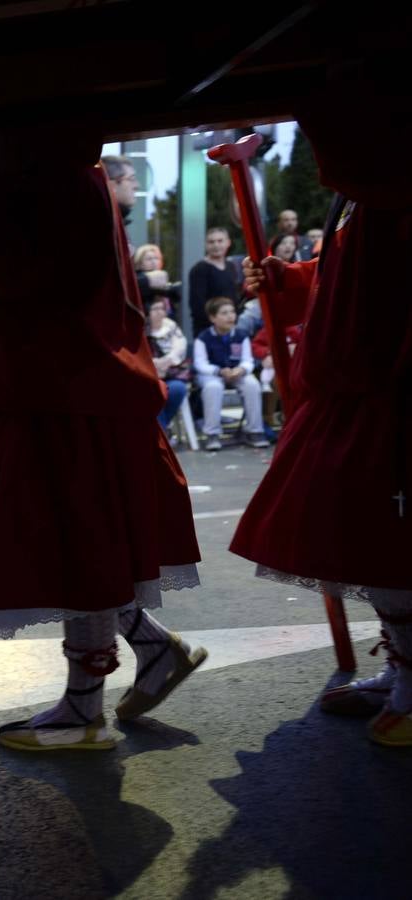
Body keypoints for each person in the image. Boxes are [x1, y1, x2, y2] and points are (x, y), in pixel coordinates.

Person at [0, 125, 206, 752]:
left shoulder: (60, 187)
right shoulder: (71, 182)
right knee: (82, 546)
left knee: (79, 550)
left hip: (67, 398)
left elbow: (28, 277)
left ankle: (84, 710)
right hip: (74, 394)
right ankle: (149, 652)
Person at [231, 71, 412, 746]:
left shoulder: (395, 194)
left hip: (389, 402)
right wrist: (282, 279)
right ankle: (403, 674)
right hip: (357, 400)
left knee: (394, 554)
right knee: (375, 553)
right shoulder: (366, 200)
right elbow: (332, 274)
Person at [193, 296, 269, 450]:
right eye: (224, 313)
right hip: (213, 375)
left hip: (236, 373)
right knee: (213, 387)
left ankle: (255, 431)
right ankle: (212, 434)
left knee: (252, 384)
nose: (230, 316)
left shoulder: (241, 335)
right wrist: (218, 371)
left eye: (232, 312)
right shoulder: (203, 338)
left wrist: (242, 369)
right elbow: (200, 364)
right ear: (213, 318)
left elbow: (248, 360)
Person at [146, 298, 191, 433]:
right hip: (148, 376)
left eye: (162, 308)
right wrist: (154, 365)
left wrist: (166, 362)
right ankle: (163, 432)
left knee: (178, 389)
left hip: (171, 371)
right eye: (155, 309)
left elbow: (180, 349)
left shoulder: (171, 326)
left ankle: (161, 430)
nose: (160, 312)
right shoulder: (140, 329)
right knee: (153, 392)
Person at [188, 228, 242, 335]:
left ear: (228, 242)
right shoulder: (199, 269)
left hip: (230, 328)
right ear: (206, 245)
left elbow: (235, 297)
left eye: (220, 241)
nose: (216, 245)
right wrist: (218, 323)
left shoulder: (231, 266)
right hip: (208, 331)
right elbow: (197, 305)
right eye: (211, 242)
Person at [133, 243, 180, 315]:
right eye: (149, 259)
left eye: (156, 258)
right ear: (139, 263)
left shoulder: (162, 278)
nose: (154, 262)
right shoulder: (138, 279)